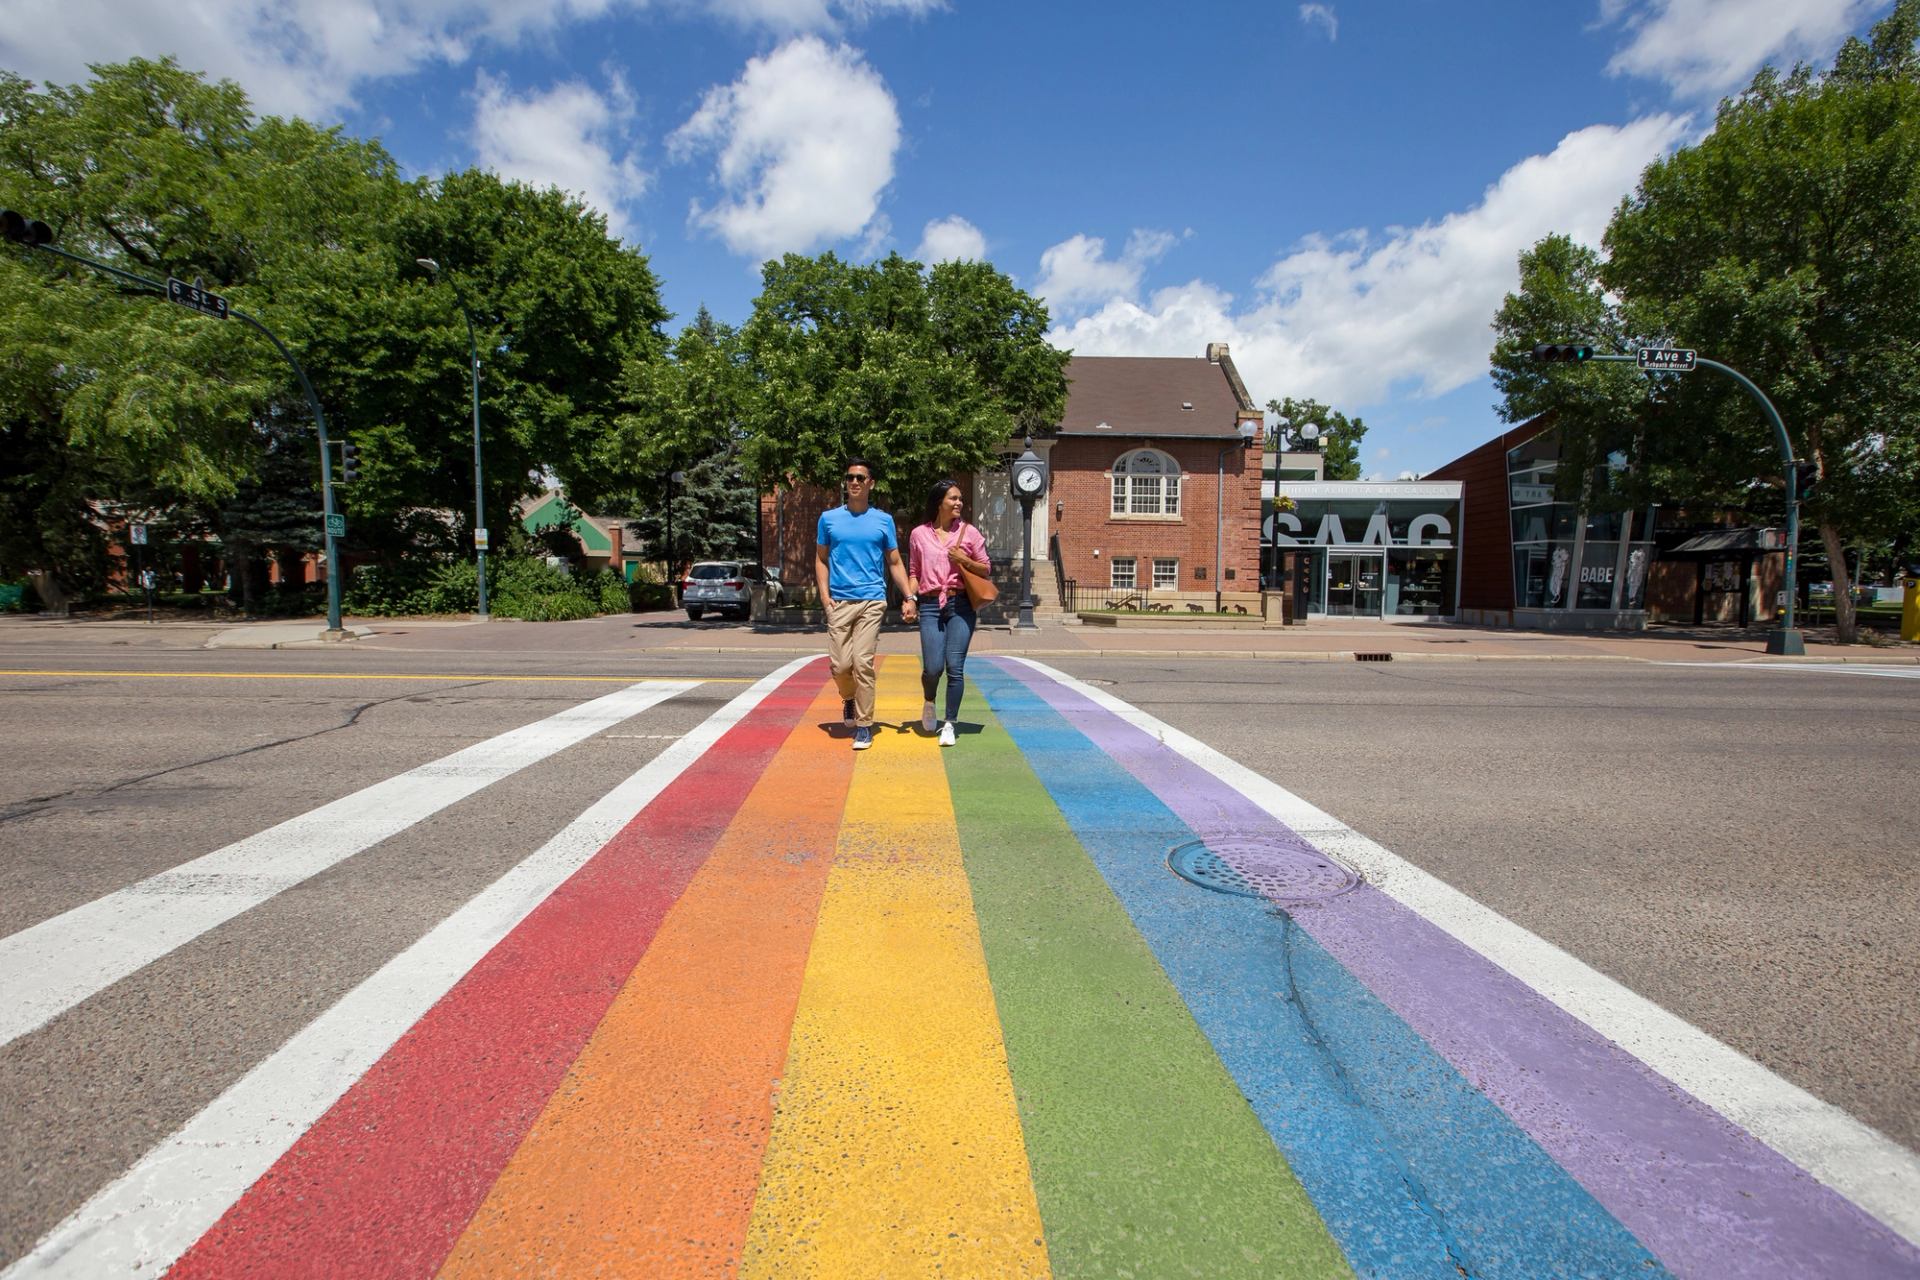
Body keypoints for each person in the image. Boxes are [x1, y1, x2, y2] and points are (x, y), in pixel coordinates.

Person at [815, 458, 916, 750]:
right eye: (850, 478)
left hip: (872, 600)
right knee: (840, 665)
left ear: (871, 483)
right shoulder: (829, 518)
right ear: (845, 483)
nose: (854, 482)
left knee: (862, 663)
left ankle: (864, 725)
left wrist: (909, 597)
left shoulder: (883, 520)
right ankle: (848, 698)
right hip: (839, 601)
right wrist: (824, 596)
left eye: (860, 477)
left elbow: (894, 562)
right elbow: (821, 559)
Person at [907, 478, 989, 748]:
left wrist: (964, 560)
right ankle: (929, 702)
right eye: (953, 498)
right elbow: (914, 572)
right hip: (930, 606)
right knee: (932, 668)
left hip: (961, 605)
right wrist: (910, 599)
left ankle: (950, 723)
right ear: (939, 502)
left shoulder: (970, 533)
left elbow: (985, 569)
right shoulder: (919, 534)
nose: (958, 503)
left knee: (955, 668)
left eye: (960, 499)